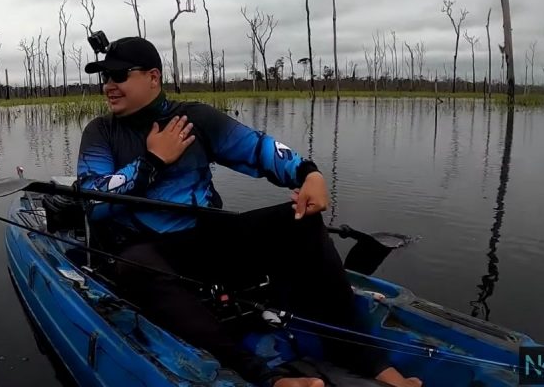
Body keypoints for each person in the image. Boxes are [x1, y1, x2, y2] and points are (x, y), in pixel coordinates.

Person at [76, 35, 421, 387]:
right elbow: (92, 200)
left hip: (205, 243)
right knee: (136, 266)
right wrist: (152, 161)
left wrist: (309, 174)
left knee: (300, 221)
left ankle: (373, 364)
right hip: (145, 252)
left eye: (119, 76)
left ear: (153, 77)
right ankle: (264, 376)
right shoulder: (101, 132)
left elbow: (257, 149)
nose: (109, 86)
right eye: (105, 78)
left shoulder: (194, 118)